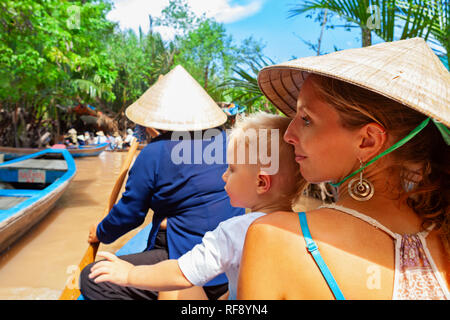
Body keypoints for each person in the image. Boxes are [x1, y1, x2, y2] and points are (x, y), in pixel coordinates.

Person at [238, 38, 449, 300]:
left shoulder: (277, 237)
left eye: (306, 119)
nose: (288, 134)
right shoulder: (443, 237)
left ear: (367, 140)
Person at [87, 112, 307, 300]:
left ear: (261, 183)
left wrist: (128, 274)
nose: (223, 175)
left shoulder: (234, 231)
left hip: (191, 266)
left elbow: (179, 273)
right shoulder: (306, 227)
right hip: (222, 281)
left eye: (231, 169)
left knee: (92, 278)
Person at [79, 65, 245, 300]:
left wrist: (101, 232)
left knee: (93, 278)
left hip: (189, 267)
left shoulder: (155, 153)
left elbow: (130, 215)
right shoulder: (227, 140)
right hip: (230, 261)